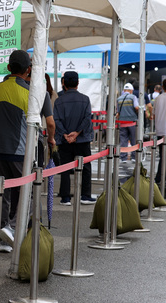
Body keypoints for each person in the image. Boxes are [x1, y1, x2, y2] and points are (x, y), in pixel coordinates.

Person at [0, 50, 55, 253]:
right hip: (21, 151)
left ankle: (1, 235)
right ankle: (14, 230)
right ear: (29, 70)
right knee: (28, 193)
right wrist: (51, 139)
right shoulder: (37, 93)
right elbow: (50, 123)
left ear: (8, 68)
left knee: (2, 193)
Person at [53, 71, 96, 206]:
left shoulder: (59, 101)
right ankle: (85, 195)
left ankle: (65, 197)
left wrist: (66, 134)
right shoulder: (85, 99)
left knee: (65, 167)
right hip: (82, 139)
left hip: (64, 140)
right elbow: (87, 118)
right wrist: (76, 133)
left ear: (64, 83)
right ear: (78, 83)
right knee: (86, 166)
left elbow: (57, 120)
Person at [116, 83, 139, 162]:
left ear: (124, 90)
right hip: (132, 121)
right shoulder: (133, 97)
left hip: (122, 122)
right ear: (131, 90)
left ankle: (123, 158)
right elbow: (136, 107)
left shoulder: (119, 99)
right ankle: (133, 157)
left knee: (123, 140)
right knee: (133, 139)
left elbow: (118, 112)